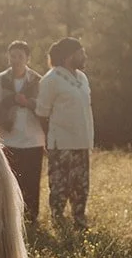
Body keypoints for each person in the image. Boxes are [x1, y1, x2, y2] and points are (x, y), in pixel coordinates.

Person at [35, 37, 94, 229]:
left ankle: (79, 221)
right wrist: (48, 140)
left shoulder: (82, 78)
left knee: (81, 186)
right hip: (61, 143)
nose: (84, 56)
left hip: (82, 141)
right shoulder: (51, 79)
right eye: (81, 53)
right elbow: (42, 113)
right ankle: (58, 222)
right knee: (60, 186)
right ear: (70, 56)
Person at [0, 41, 45, 221]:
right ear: (8, 58)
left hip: (33, 139)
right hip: (8, 139)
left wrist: (28, 103)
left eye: (20, 56)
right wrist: (10, 102)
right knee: (9, 181)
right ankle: (10, 217)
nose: (16, 60)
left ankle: (31, 218)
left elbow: (45, 108)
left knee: (32, 181)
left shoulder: (38, 81)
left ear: (27, 59)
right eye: (13, 56)